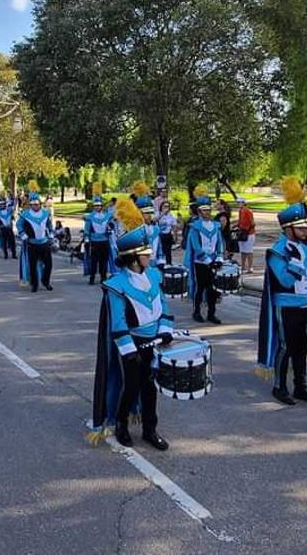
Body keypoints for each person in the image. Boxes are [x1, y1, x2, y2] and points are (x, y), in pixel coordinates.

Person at [87, 196, 174, 449]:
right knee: (131, 386)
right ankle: (121, 424)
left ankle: (150, 429)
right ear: (134, 257)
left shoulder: (155, 275)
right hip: (132, 344)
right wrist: (130, 350)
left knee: (150, 388)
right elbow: (118, 322)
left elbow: (164, 307)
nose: (150, 255)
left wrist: (166, 330)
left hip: (154, 341)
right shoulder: (117, 285)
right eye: (145, 253)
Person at [257, 177, 307, 406]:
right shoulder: (277, 251)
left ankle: (301, 387)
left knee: (303, 348)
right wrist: (295, 262)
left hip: (304, 305)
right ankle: (279, 387)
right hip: (285, 306)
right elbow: (285, 280)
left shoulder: (305, 249)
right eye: (301, 227)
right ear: (288, 229)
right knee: (286, 346)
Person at [184, 190, 225, 324]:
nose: (207, 212)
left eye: (208, 210)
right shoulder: (195, 227)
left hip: (213, 262)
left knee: (213, 289)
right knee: (200, 287)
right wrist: (208, 261)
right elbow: (196, 247)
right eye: (204, 210)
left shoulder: (216, 226)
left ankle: (211, 313)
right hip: (200, 262)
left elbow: (219, 244)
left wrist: (219, 259)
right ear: (200, 212)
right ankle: (196, 312)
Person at [17, 182, 55, 292]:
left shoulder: (46, 213)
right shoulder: (25, 214)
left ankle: (45, 281)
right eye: (33, 204)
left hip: (44, 243)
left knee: (48, 264)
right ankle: (34, 284)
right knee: (32, 266)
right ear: (30, 205)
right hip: (32, 244)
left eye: (37, 204)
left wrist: (51, 235)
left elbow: (49, 225)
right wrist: (23, 234)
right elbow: (19, 225)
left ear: (40, 204)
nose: (35, 206)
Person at [83, 185, 114, 285]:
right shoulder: (90, 217)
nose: (97, 207)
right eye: (96, 206)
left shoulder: (107, 216)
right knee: (93, 261)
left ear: (101, 206)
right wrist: (87, 238)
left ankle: (103, 277)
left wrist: (110, 229)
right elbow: (87, 229)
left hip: (104, 241)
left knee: (103, 261)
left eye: (99, 205)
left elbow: (111, 225)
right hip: (94, 242)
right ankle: (92, 277)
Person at [236, 197, 256, 273]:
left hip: (249, 233)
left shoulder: (248, 211)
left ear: (244, 203)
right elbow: (240, 221)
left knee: (249, 250)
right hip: (242, 233)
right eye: (238, 202)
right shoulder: (240, 211)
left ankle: (250, 267)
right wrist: (236, 226)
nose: (238, 204)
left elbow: (253, 223)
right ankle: (243, 266)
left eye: (240, 202)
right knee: (243, 250)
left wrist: (247, 230)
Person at [157, 200, 179, 266]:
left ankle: (169, 264)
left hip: (168, 235)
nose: (166, 208)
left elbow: (174, 226)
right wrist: (162, 214)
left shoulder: (171, 215)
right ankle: (160, 264)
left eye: (168, 206)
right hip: (159, 235)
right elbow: (154, 221)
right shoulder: (158, 214)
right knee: (161, 250)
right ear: (161, 207)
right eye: (165, 206)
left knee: (168, 251)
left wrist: (175, 236)